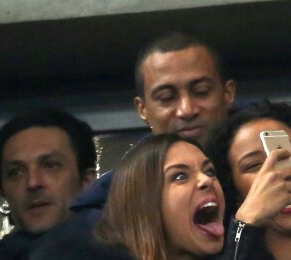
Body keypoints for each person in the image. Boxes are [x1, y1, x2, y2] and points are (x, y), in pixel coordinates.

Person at [28, 133, 291, 260]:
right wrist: (245, 228)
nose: (205, 180)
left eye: (209, 171)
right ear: (144, 204)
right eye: (179, 176)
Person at [71, 30, 236, 221]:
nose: (186, 110)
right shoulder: (106, 206)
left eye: (201, 91)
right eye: (167, 98)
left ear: (228, 93)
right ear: (142, 109)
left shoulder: (266, 173)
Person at [0, 109, 97, 260]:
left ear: (87, 181)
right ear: (2, 190)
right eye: (15, 172)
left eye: (51, 165)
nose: (33, 183)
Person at [204, 100, 291, 260]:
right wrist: (246, 225)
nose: (281, 173)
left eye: (287, 156)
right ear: (234, 192)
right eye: (253, 166)